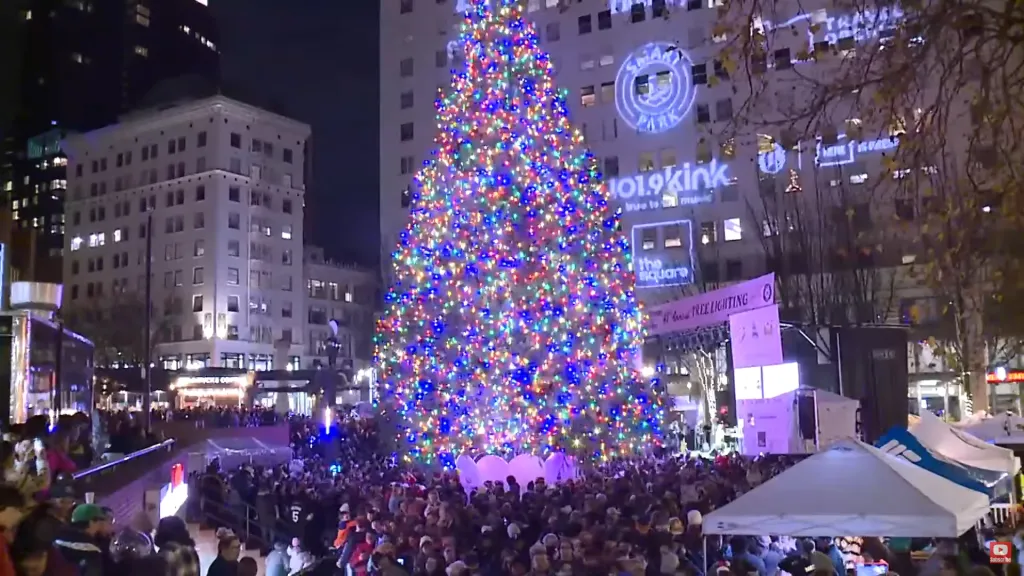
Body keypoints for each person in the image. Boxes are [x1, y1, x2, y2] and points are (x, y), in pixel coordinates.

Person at [53, 504, 112, 576]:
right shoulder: (91, 551)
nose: (100, 525)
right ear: (92, 522)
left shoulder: (56, 541)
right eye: (99, 521)